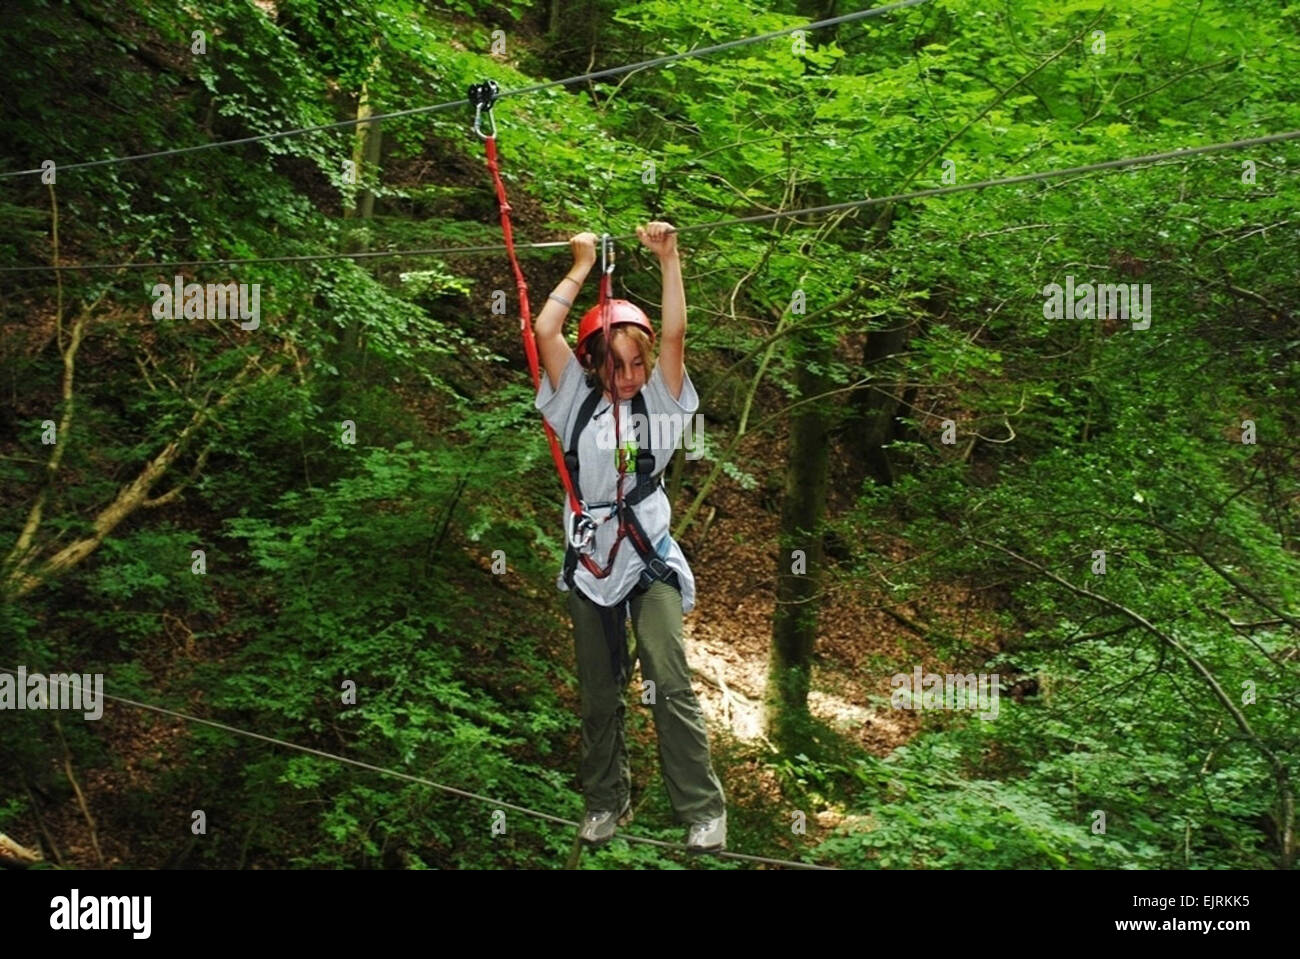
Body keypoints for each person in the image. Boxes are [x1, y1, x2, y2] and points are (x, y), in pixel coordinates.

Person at [533, 222, 727, 853]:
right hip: (590, 565)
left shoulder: (662, 406)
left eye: (638, 363)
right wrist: (582, 264)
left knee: (668, 680)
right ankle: (604, 803)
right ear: (593, 363)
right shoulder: (572, 401)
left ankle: (702, 811)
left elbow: (675, 332)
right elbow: (544, 333)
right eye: (616, 364)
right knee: (597, 694)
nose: (630, 375)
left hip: (649, 563)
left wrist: (668, 258)